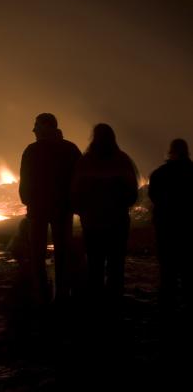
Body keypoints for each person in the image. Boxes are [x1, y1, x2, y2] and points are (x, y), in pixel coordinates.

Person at [71, 124, 138, 306]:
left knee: (95, 264)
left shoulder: (85, 162)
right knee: (116, 265)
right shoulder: (122, 160)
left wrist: (84, 212)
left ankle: (96, 302)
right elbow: (133, 194)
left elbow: (75, 194)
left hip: (92, 224)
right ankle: (115, 302)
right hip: (118, 223)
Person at [19, 113, 81, 305]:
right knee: (62, 250)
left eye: (36, 125)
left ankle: (41, 294)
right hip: (62, 208)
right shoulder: (71, 150)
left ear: (46, 127)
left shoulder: (31, 151)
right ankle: (63, 292)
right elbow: (78, 178)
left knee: (37, 252)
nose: (34, 130)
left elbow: (25, 180)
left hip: (38, 209)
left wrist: (28, 200)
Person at [148, 138, 193, 310]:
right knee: (189, 271)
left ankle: (168, 309)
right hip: (188, 229)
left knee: (168, 272)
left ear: (171, 151)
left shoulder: (160, 174)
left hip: (166, 228)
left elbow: (154, 197)